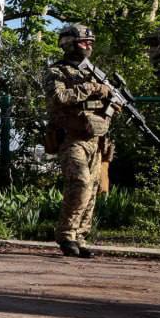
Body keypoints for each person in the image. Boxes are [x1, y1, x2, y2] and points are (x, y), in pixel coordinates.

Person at [44, 23, 114, 259]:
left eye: (90, 42)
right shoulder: (57, 71)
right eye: (84, 42)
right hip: (71, 138)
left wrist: (111, 101)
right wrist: (91, 88)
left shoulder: (95, 72)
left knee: (92, 189)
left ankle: (80, 237)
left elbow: (106, 102)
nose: (88, 46)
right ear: (69, 44)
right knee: (80, 183)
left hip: (96, 139)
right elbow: (59, 97)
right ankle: (66, 235)